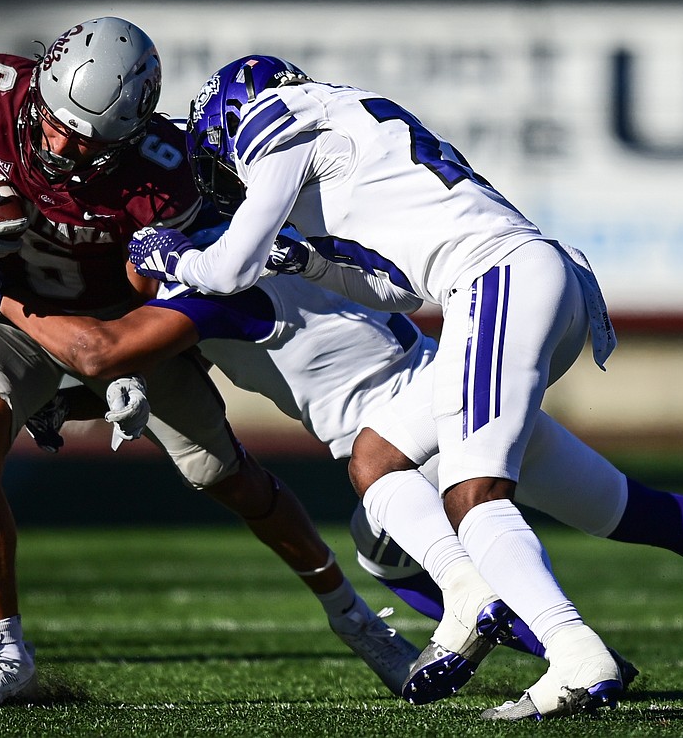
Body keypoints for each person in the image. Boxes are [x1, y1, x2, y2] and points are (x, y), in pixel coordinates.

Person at [0, 210, 683, 697]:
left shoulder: (205, 285)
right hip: (456, 380)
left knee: (395, 545)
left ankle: (546, 634)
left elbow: (106, 348)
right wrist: (82, 397)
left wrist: (3, 301)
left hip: (406, 426)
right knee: (635, 510)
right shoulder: (275, 239)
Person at [0, 20, 416, 709]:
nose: (62, 146)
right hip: (12, 304)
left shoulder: (161, 165)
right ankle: (5, 650)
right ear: (41, 85)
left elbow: (155, 281)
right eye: (56, 125)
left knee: (230, 478)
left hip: (115, 319)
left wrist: (123, 360)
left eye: (88, 140)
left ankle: (353, 616)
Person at [128, 54, 630, 720]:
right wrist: (309, 260)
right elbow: (398, 287)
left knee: (474, 494)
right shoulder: (343, 118)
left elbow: (227, 270)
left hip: (497, 281)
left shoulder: (273, 124)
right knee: (378, 456)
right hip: (504, 284)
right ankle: (474, 603)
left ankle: (572, 649)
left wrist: (174, 257)